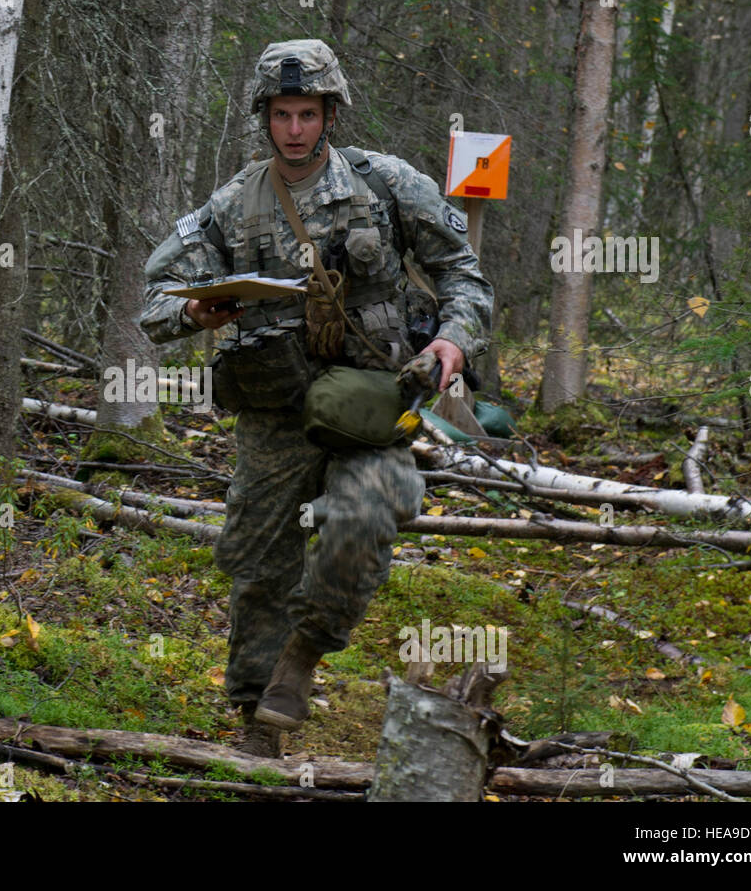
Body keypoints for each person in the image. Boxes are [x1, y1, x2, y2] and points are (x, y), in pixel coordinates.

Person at [140, 39, 493, 757]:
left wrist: (452, 342)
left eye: (307, 113)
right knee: (259, 561)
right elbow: (156, 293)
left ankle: (306, 649)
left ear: (330, 114)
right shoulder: (235, 202)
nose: (294, 128)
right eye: (281, 114)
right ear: (263, 118)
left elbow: (464, 274)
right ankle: (257, 718)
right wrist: (195, 313)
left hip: (369, 402)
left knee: (370, 511)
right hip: (274, 409)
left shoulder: (386, 184)